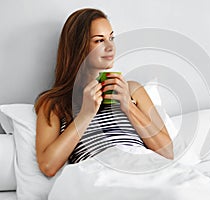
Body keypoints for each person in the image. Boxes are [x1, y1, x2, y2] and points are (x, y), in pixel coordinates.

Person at [34, 8, 173, 177]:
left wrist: (128, 106)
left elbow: (167, 152)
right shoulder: (54, 103)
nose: (110, 46)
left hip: (145, 169)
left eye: (111, 38)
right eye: (99, 41)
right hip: (100, 175)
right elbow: (48, 166)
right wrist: (86, 114)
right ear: (79, 47)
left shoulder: (132, 90)